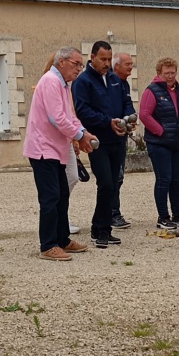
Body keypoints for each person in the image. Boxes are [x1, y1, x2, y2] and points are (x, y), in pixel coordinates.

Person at [24, 47, 97, 261]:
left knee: (62, 194)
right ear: (62, 62)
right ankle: (48, 245)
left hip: (54, 149)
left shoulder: (63, 85)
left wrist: (83, 133)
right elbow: (57, 118)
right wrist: (79, 135)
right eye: (76, 64)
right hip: (42, 149)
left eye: (80, 65)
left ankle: (62, 239)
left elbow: (69, 116)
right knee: (50, 197)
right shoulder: (50, 81)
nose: (79, 69)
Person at [71, 41, 135, 248]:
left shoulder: (117, 80)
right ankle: (100, 228)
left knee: (114, 184)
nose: (107, 63)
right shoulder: (83, 82)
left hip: (118, 139)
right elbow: (83, 111)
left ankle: (102, 229)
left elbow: (127, 102)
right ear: (92, 57)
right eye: (103, 59)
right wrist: (108, 122)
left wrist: (128, 119)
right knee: (106, 183)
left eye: (109, 59)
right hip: (97, 141)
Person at [138, 58, 179, 231]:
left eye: (172, 72)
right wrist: (160, 131)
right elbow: (144, 115)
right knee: (164, 179)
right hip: (159, 143)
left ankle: (177, 214)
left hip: (177, 142)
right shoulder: (152, 91)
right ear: (159, 73)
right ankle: (163, 217)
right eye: (166, 73)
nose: (170, 76)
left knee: (177, 180)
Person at [110, 50, 135, 228]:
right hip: (108, 137)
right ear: (116, 65)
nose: (131, 67)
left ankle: (113, 212)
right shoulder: (110, 83)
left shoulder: (124, 84)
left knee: (118, 177)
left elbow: (127, 104)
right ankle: (112, 213)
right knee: (112, 177)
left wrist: (130, 118)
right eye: (127, 64)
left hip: (121, 137)